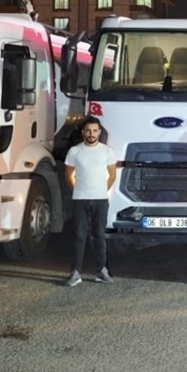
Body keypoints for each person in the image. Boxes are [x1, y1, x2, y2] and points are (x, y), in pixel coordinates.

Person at [64, 115, 118, 287]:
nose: (91, 133)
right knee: (79, 235)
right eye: (88, 130)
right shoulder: (74, 151)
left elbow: (112, 175)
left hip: (101, 199)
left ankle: (101, 271)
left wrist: (102, 190)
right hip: (80, 199)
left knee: (100, 235)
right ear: (83, 132)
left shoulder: (107, 151)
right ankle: (75, 273)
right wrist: (78, 190)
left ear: (99, 132)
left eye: (95, 130)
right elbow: (68, 175)